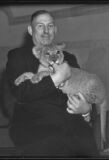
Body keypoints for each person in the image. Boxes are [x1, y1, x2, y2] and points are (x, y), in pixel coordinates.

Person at [6, 10, 99, 158]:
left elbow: (84, 88)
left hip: (73, 127)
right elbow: (22, 93)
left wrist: (86, 110)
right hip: (36, 129)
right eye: (40, 26)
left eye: (50, 26)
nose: (46, 31)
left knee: (87, 144)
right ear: (30, 30)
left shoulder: (68, 57)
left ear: (55, 30)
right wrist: (57, 78)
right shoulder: (17, 56)